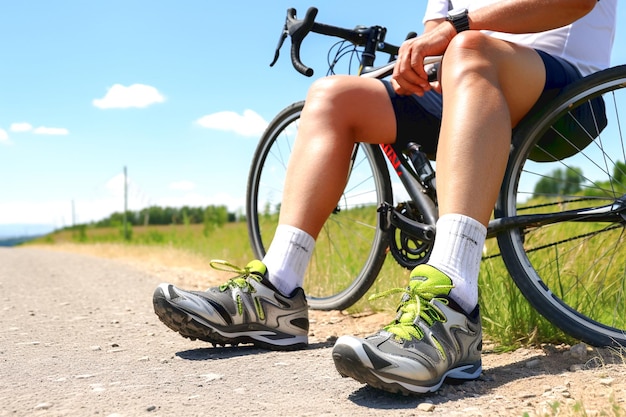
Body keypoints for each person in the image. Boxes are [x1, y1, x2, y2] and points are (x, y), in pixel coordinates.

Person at [153, 0, 616, 395]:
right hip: (459, 79)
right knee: (333, 95)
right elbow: (439, 29)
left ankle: (453, 307)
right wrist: (422, 62)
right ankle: (277, 291)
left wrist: (455, 33)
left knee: (472, 50)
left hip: (562, 83)